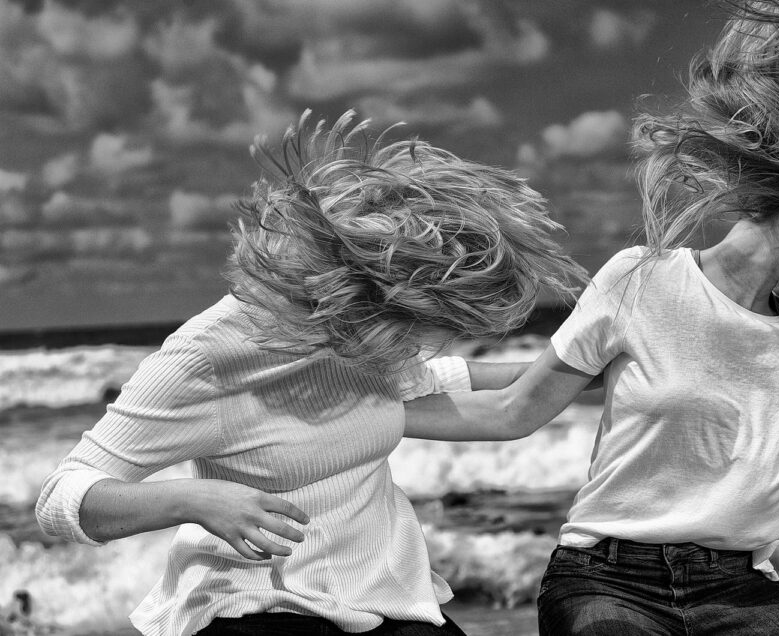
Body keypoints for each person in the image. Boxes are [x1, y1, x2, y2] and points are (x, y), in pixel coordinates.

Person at [402, 1, 779, 634]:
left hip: (741, 592)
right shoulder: (640, 280)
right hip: (605, 581)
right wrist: (367, 420)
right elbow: (514, 411)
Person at [35, 110, 587, 636]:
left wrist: (594, 362)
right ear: (360, 292)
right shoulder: (208, 354)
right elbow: (61, 498)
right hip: (255, 605)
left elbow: (442, 380)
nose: (416, 340)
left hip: (386, 596)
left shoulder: (365, 336)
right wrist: (196, 500)